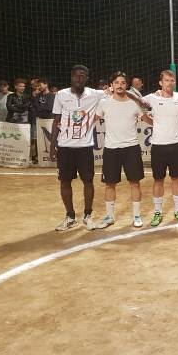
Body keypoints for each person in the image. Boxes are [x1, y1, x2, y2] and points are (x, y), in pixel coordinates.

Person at [50, 65, 106, 231]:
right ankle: (70, 216)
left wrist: (143, 100)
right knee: (65, 181)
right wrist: (52, 146)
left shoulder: (95, 94)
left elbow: (118, 91)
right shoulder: (61, 95)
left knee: (88, 181)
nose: (78, 78)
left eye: (82, 75)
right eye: (76, 75)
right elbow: (56, 121)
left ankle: (88, 216)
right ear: (71, 77)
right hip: (65, 147)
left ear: (87, 78)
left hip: (85, 147)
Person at [96, 72, 150, 229]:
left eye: (123, 82)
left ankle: (137, 216)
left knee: (135, 183)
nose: (120, 85)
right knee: (109, 184)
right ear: (111, 85)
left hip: (131, 148)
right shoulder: (104, 103)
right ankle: (109, 216)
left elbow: (147, 120)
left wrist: (167, 123)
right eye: (116, 82)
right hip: (111, 149)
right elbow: (91, 120)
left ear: (127, 85)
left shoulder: (134, 104)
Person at [142, 70, 178, 226]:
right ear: (160, 83)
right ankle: (157, 212)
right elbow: (136, 103)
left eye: (172, 80)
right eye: (166, 80)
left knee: (176, 179)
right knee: (158, 180)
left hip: (176, 146)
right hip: (158, 147)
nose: (170, 83)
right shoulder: (152, 98)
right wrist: (151, 121)